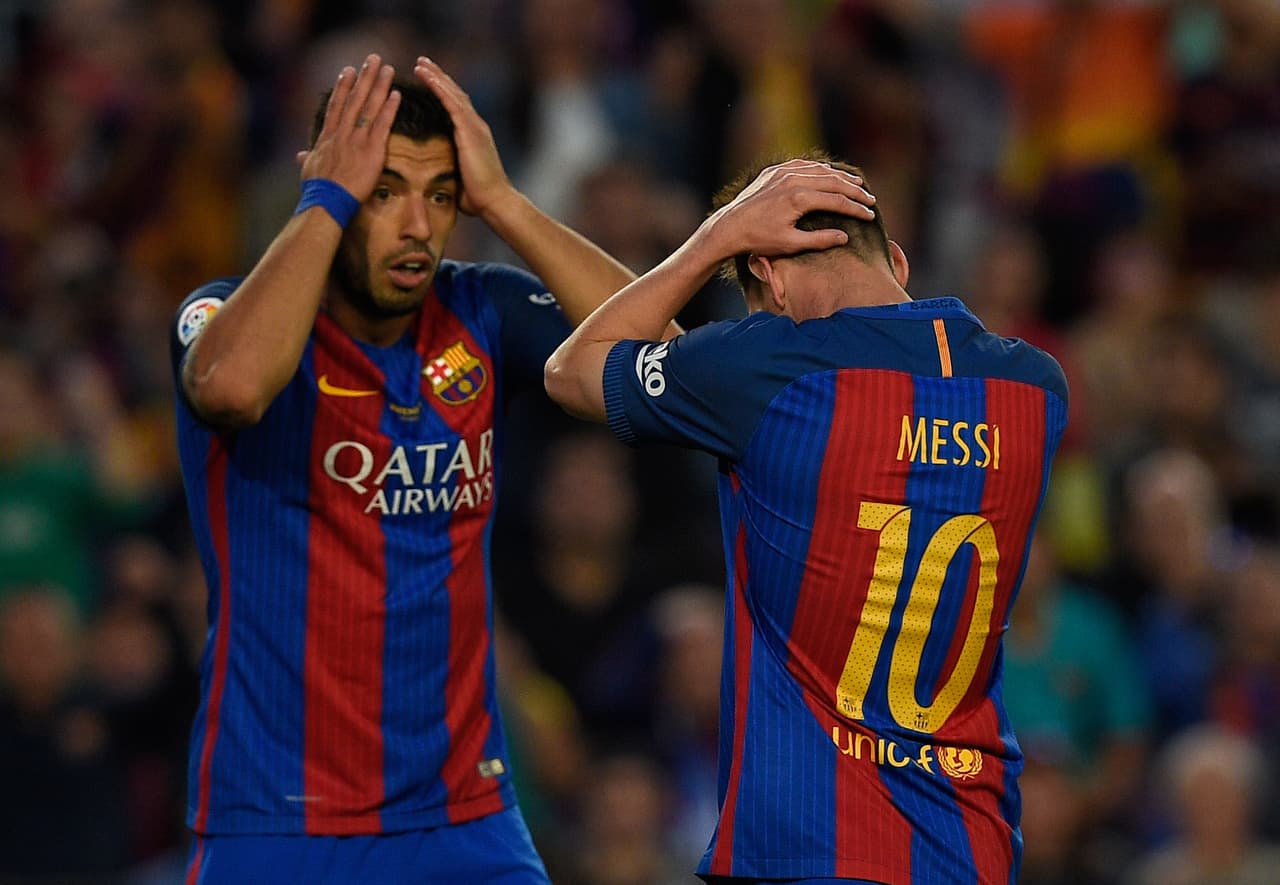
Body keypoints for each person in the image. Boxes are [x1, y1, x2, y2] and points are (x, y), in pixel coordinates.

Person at [170, 53, 657, 883]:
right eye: (383, 190)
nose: (418, 228)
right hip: (281, 823)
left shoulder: (480, 310)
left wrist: (502, 201)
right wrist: (327, 196)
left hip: (467, 822)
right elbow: (232, 389)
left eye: (439, 196)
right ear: (323, 185)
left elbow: (665, 365)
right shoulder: (225, 312)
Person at [546, 154, 1069, 883]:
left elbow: (571, 370)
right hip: (971, 845)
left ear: (771, 273)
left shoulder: (768, 369)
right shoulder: (1036, 388)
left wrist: (712, 238)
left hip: (807, 847)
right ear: (897, 260)